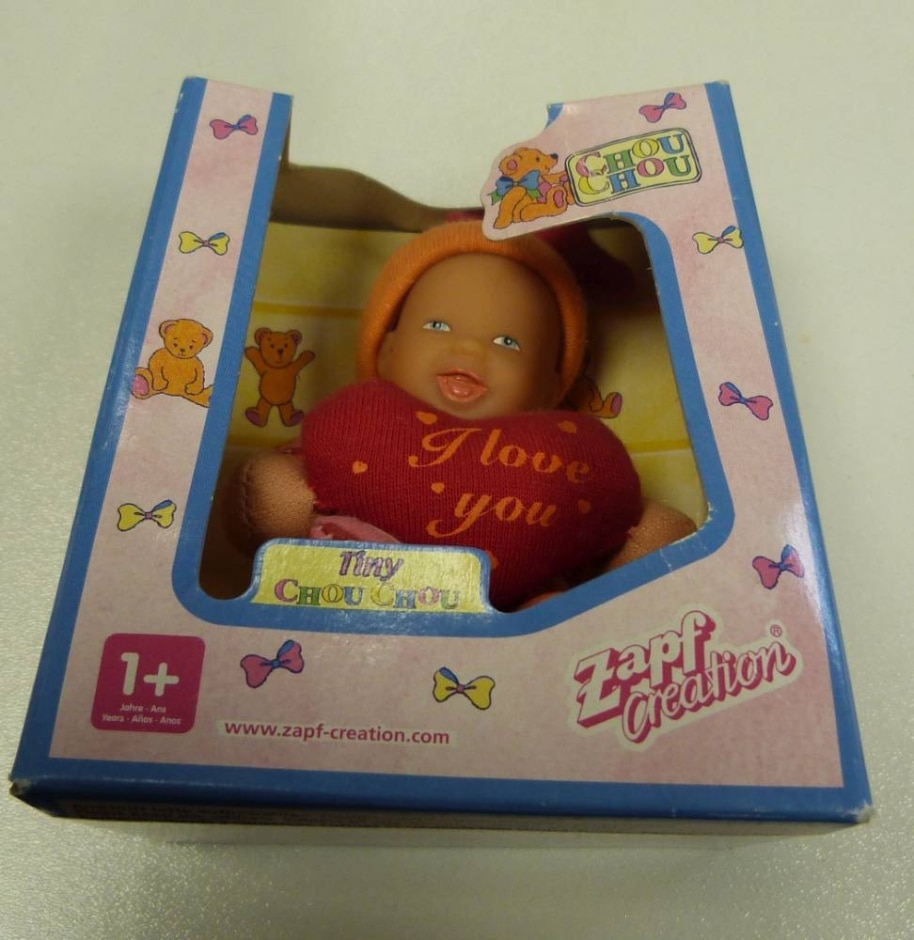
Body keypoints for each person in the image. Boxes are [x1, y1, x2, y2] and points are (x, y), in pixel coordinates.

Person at [229, 221, 694, 609]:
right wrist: (277, 499)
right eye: (437, 326)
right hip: (357, 593)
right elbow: (270, 504)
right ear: (386, 349)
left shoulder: (569, 464)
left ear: (551, 386)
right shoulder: (352, 431)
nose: (470, 349)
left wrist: (645, 540)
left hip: (515, 618)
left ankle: (537, 622)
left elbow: (624, 531)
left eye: (508, 343)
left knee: (553, 613)